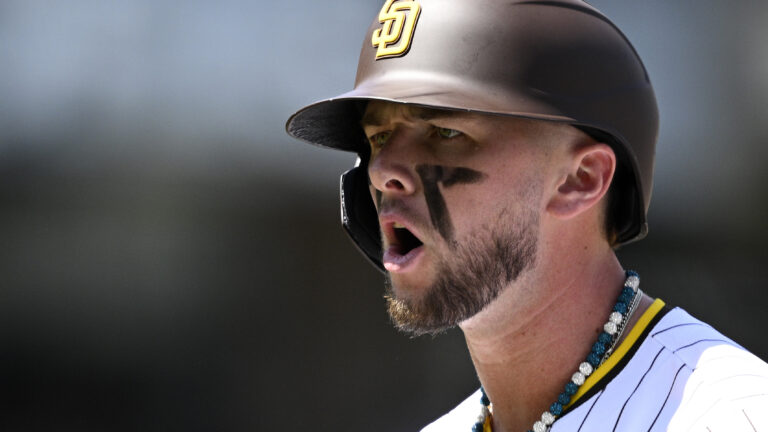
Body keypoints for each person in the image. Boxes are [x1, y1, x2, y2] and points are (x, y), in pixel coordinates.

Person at [286, 0, 768, 431]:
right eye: (378, 138)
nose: (382, 170)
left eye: (445, 132)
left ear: (580, 179)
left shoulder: (733, 416)